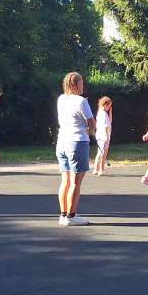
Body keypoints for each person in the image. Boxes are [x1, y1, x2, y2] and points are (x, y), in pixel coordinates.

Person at [57, 72, 95, 226]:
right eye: (82, 83)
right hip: (77, 141)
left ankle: (64, 214)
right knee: (75, 181)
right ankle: (71, 216)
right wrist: (91, 131)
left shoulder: (61, 99)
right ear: (77, 84)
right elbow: (91, 122)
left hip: (62, 141)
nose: (83, 85)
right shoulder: (81, 101)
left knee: (65, 180)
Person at [94, 96, 113, 176]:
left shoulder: (100, 113)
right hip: (104, 136)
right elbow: (106, 126)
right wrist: (106, 136)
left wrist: (110, 113)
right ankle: (101, 170)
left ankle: (96, 169)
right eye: (109, 106)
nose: (109, 108)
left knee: (99, 152)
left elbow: (109, 122)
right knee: (103, 153)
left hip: (99, 136)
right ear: (105, 104)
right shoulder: (104, 114)